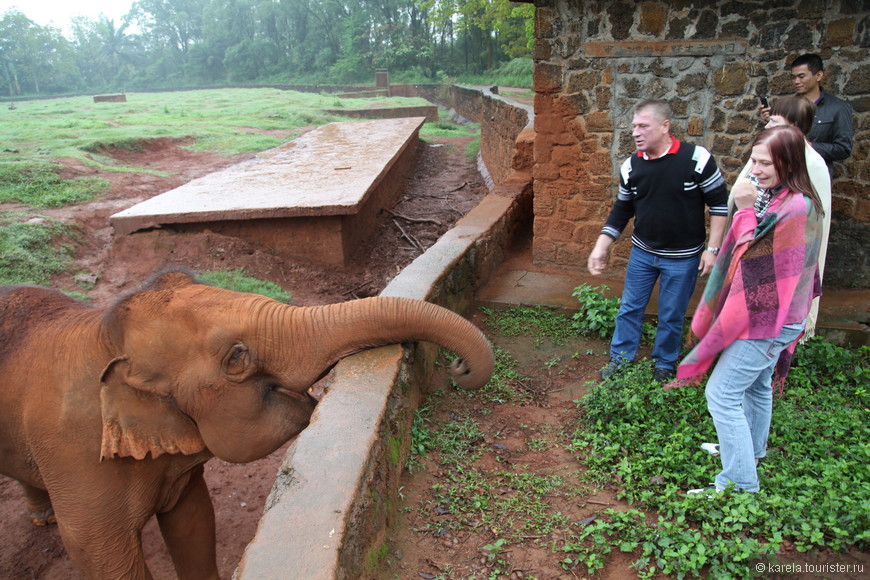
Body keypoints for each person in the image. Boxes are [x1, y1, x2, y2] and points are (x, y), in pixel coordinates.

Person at [672, 125, 824, 495]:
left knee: (721, 394)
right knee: (757, 386)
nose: (753, 170)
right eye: (752, 160)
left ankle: (740, 482)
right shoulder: (781, 196)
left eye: (763, 162)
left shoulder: (796, 207)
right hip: (777, 315)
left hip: (769, 320)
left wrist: (741, 208)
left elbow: (752, 258)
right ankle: (750, 452)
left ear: (788, 162)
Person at [587, 100, 729, 383]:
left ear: (665, 126)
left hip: (684, 257)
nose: (636, 133)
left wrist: (712, 250)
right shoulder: (631, 166)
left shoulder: (697, 159)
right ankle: (620, 358)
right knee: (630, 307)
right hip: (642, 253)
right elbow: (622, 210)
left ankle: (664, 363)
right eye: (633, 127)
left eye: (643, 126)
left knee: (671, 314)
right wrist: (601, 245)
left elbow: (719, 205)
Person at [739, 95, 831, 340]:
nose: (768, 126)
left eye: (775, 122)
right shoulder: (768, 151)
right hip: (753, 242)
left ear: (795, 127)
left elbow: (805, 230)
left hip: (775, 260)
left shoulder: (812, 164)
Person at [760, 53, 853, 174]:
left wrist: (807, 146)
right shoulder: (788, 106)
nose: (796, 81)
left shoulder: (838, 107)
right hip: (785, 173)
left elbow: (843, 149)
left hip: (816, 176)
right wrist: (772, 123)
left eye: (801, 76)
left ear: (818, 75)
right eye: (793, 77)